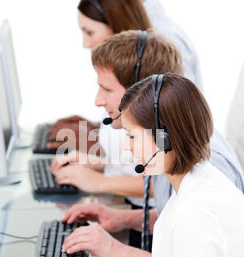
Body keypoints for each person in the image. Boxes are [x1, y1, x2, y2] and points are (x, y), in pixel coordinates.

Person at [52, 30, 244, 257]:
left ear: (142, 92)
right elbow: (177, 224)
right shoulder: (171, 147)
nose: (98, 101)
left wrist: (116, 251)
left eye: (106, 89)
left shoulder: (205, 167)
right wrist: (124, 218)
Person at [47, 0, 203, 151]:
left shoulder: (161, 50)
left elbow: (169, 144)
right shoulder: (129, 61)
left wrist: (96, 149)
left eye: (90, 32)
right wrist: (99, 129)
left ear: (117, 25)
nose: (85, 43)